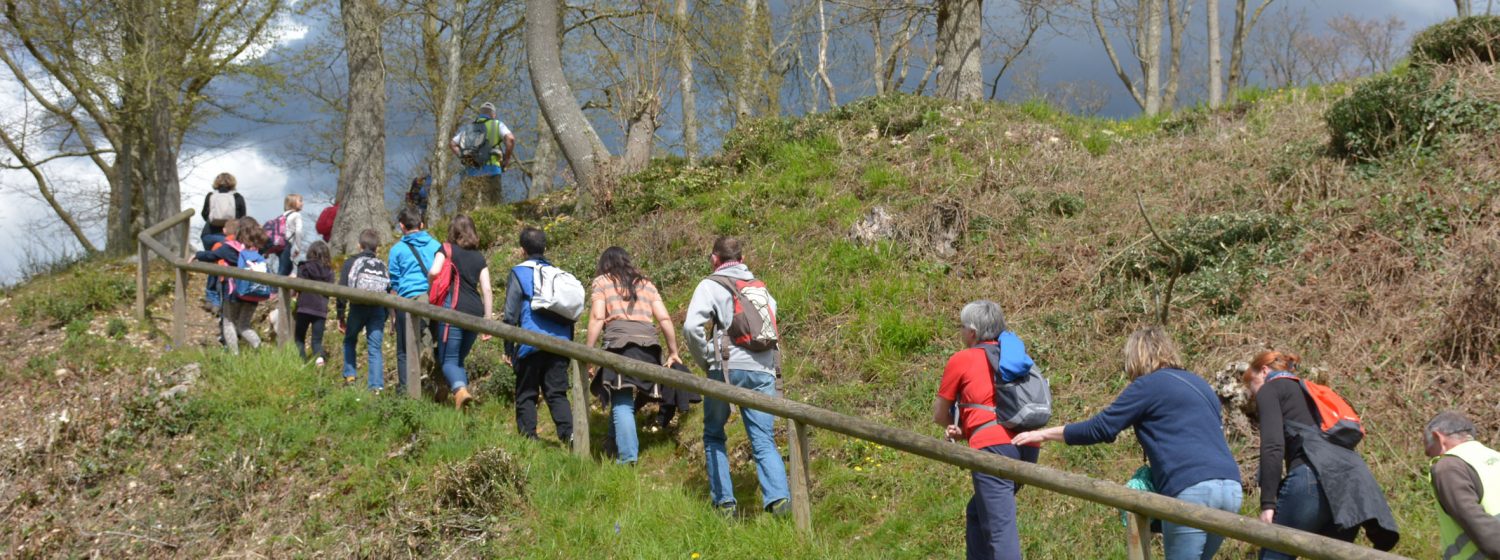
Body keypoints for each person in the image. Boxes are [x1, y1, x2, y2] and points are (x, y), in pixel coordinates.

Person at [1014, 326, 1242, 560]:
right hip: (1231, 488)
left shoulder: (1149, 385)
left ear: (1137, 357)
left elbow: (1100, 428)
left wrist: (1043, 434)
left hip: (1192, 488)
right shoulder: (1200, 384)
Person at [683, 236, 790, 518]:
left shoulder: (710, 285)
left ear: (714, 259)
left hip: (726, 367)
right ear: (741, 260)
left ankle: (725, 504)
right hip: (764, 369)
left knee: (714, 434)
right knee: (764, 439)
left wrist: (707, 359)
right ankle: (779, 503)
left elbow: (691, 327)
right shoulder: (760, 288)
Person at [931, 300, 1041, 560]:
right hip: (1029, 445)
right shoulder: (1013, 357)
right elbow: (1001, 411)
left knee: (1000, 530)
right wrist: (969, 431)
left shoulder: (963, 359)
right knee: (978, 513)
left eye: (961, 327)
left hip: (993, 450)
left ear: (971, 331)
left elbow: (939, 415)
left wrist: (955, 426)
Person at [583, 246, 684, 465]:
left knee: (621, 400)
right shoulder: (646, 284)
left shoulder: (602, 282)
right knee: (622, 395)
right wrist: (673, 352)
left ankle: (628, 458)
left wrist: (588, 354)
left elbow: (598, 318)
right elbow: (665, 319)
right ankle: (612, 442)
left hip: (620, 346)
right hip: (649, 347)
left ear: (605, 264)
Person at [502, 227, 574, 442]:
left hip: (530, 342)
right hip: (560, 343)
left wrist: (508, 348)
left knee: (527, 393)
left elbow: (510, 314)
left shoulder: (519, 272)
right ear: (545, 248)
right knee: (557, 393)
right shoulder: (558, 273)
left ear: (522, 250)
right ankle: (570, 436)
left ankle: (528, 440)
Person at [427, 214, 492, 410]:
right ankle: (463, 405)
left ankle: (460, 391)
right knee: (458, 360)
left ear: (453, 232)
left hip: (453, 309)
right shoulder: (479, 257)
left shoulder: (446, 249)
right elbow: (487, 289)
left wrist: (432, 288)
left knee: (448, 361)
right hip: (475, 311)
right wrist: (488, 320)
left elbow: (433, 271)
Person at [1425, 411, 1500, 560]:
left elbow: (1479, 524)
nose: (1431, 457)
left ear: (1437, 437)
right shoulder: (1495, 456)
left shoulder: (1449, 467)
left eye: (1429, 451)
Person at [193, 217, 269, 355]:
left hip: (233, 292)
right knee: (244, 325)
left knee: (228, 322)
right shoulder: (258, 250)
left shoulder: (230, 247)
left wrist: (197, 255)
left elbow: (212, 255)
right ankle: (259, 349)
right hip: (253, 292)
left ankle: (234, 356)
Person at [388, 206, 440, 392]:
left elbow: (394, 282)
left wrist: (392, 314)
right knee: (429, 339)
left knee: (404, 347)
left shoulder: (397, 250)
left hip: (405, 299)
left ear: (402, 226)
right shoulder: (435, 245)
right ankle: (430, 382)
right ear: (422, 224)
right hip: (430, 297)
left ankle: (406, 389)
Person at [338, 229, 390, 391]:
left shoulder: (350, 263)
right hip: (377, 310)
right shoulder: (381, 264)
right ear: (376, 248)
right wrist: (385, 315)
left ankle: (350, 375)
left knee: (349, 340)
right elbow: (388, 290)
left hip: (357, 307)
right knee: (375, 348)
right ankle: (376, 387)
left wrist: (340, 315)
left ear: (359, 245)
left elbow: (342, 290)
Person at [448, 101, 516, 209]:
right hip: (492, 171)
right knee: (494, 207)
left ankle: (463, 225)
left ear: (480, 114)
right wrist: (506, 159)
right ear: (493, 114)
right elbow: (510, 139)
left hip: (471, 171)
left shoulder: (468, 128)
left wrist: (464, 158)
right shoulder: (497, 124)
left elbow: (452, 144)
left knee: (467, 208)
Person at [200, 172, 246, 312]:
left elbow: (204, 214)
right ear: (233, 183)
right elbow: (242, 217)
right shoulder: (237, 197)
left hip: (209, 235)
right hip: (227, 238)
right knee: (223, 266)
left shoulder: (211, 196)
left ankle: (210, 298)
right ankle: (222, 300)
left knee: (213, 263)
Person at [293, 240, 334, 366]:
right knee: (316, 340)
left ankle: (302, 362)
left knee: (299, 337)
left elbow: (298, 287)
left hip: (304, 306)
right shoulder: (329, 271)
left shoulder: (304, 267)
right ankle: (319, 360)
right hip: (320, 309)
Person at [273, 194, 306, 276]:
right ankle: (276, 287)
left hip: (278, 244)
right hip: (286, 244)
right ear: (293, 202)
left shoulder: (283, 215)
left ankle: (276, 286)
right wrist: (298, 248)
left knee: (283, 266)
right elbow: (298, 231)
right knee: (285, 269)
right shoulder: (297, 215)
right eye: (300, 201)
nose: (303, 203)